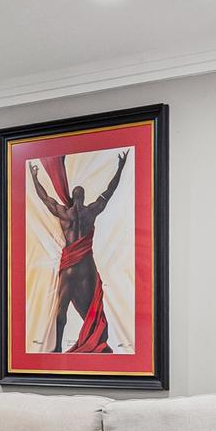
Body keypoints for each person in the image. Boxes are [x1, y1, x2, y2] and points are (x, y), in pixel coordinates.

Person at [29, 150, 129, 353]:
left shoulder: (64, 213)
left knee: (61, 308)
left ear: (72, 197)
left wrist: (34, 177)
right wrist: (120, 167)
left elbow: (45, 198)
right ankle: (96, 339)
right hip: (86, 266)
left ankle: (57, 347)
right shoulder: (91, 211)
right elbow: (108, 192)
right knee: (91, 305)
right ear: (83, 197)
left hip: (69, 268)